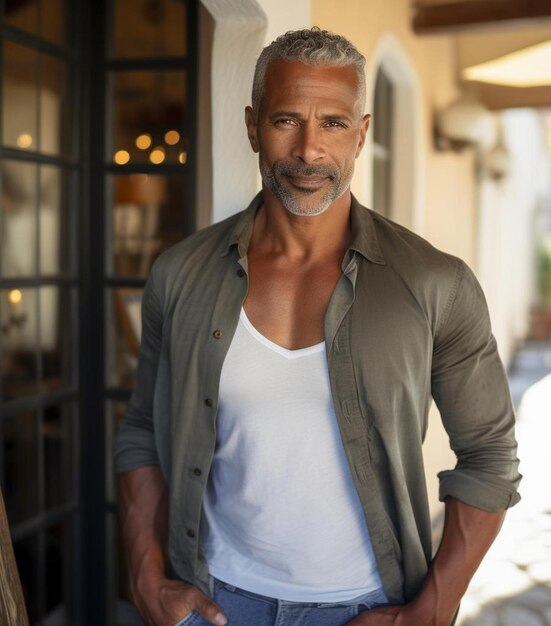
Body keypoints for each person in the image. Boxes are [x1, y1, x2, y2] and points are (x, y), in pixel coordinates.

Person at [114, 27, 521, 626]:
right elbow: (143, 432)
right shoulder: (180, 276)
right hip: (213, 600)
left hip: (367, 606)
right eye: (286, 121)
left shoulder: (436, 284)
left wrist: (433, 608)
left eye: (332, 123)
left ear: (362, 134)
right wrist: (146, 575)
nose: (309, 151)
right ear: (254, 127)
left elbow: (489, 457)